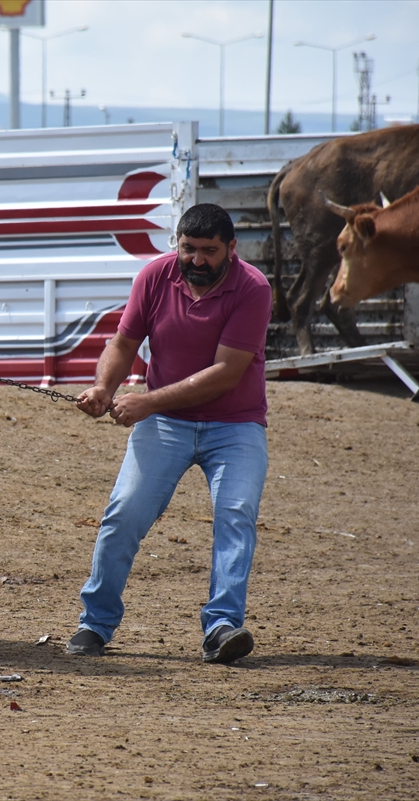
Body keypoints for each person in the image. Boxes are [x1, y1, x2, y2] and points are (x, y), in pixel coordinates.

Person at [67, 203, 272, 664]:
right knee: (123, 514)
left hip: (235, 425)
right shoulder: (154, 277)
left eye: (210, 251)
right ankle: (94, 625)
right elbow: (123, 343)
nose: (197, 260)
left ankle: (221, 627)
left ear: (231, 249)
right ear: (176, 244)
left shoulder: (253, 288)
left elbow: (226, 372)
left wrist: (147, 402)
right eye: (189, 249)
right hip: (165, 424)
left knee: (236, 514)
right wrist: (104, 388)